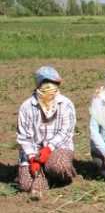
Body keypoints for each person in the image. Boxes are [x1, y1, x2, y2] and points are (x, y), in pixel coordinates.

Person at [16, 66, 77, 199]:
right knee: (25, 185)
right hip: (33, 151)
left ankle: (54, 176)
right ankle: (42, 176)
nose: (50, 89)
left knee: (59, 166)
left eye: (53, 85)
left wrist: (48, 149)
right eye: (46, 85)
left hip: (58, 148)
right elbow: (24, 137)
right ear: (39, 86)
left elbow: (66, 131)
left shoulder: (66, 104)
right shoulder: (26, 107)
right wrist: (33, 157)